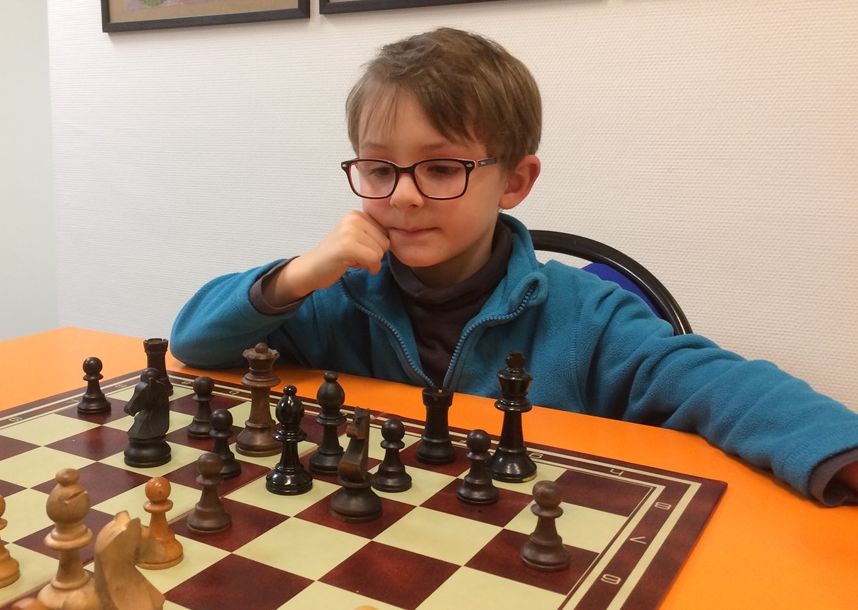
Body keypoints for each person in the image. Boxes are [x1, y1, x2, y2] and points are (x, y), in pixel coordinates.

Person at [171, 27, 858, 506]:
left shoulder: (585, 315)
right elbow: (194, 342)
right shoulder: (335, 296)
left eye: (442, 168)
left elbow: (720, 386)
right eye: (379, 168)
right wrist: (295, 275)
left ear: (515, 181)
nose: (403, 195)